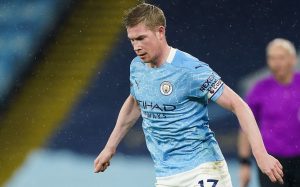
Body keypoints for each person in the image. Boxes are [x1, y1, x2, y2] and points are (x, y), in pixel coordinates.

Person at [94, 3, 284, 187]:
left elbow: (238, 104)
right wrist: (110, 147)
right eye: (132, 40)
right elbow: (136, 102)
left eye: (142, 38)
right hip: (166, 174)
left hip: (203, 169)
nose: (136, 46)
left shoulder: (190, 69)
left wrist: (260, 155)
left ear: (160, 32)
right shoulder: (137, 67)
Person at [238, 38, 300, 187]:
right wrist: (245, 163)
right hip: (271, 162)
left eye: (281, 58)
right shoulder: (259, 89)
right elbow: (246, 127)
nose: (276, 63)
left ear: (292, 60)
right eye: (272, 58)